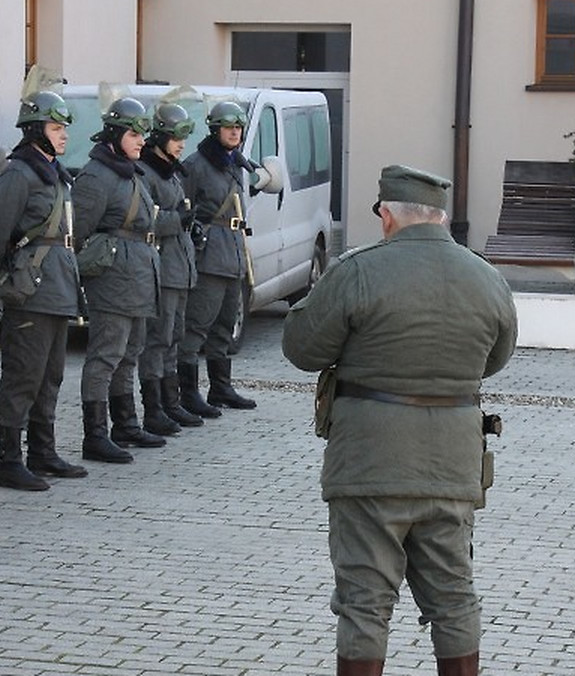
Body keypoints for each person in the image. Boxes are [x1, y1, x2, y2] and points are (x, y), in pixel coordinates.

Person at [282, 165, 518, 675]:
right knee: (454, 597)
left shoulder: (359, 269)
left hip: (370, 463)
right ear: (440, 216)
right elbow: (494, 360)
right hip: (453, 466)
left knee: (365, 601)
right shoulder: (487, 278)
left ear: (386, 215)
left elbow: (302, 348)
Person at [0, 73, 88, 490]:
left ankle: (42, 450)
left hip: (58, 287)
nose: (63, 136)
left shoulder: (54, 174)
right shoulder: (19, 175)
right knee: (22, 376)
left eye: (64, 128)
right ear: (35, 131)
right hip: (30, 290)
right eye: (55, 128)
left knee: (51, 375)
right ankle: (8, 459)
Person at [72, 96, 165, 463]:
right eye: (133, 132)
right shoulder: (97, 176)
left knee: (131, 353)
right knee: (106, 355)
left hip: (138, 275)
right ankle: (94, 434)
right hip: (113, 278)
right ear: (114, 134)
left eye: (143, 132)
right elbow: (78, 231)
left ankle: (124, 422)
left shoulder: (130, 171)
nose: (142, 139)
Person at [178, 100, 256, 415]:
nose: (235, 132)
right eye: (229, 127)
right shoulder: (196, 165)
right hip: (209, 255)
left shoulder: (236, 163)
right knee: (197, 325)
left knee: (226, 324)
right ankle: (188, 393)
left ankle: (220, 388)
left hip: (234, 252)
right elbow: (182, 207)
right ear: (215, 129)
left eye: (238, 127)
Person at [137, 102, 203, 434]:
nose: (181, 145)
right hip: (162, 268)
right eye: (176, 138)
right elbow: (146, 220)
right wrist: (179, 219)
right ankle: (154, 408)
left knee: (174, 336)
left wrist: (190, 225)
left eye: (183, 139)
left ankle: (171, 401)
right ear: (160, 136)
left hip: (180, 265)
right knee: (158, 339)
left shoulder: (171, 171)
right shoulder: (146, 173)